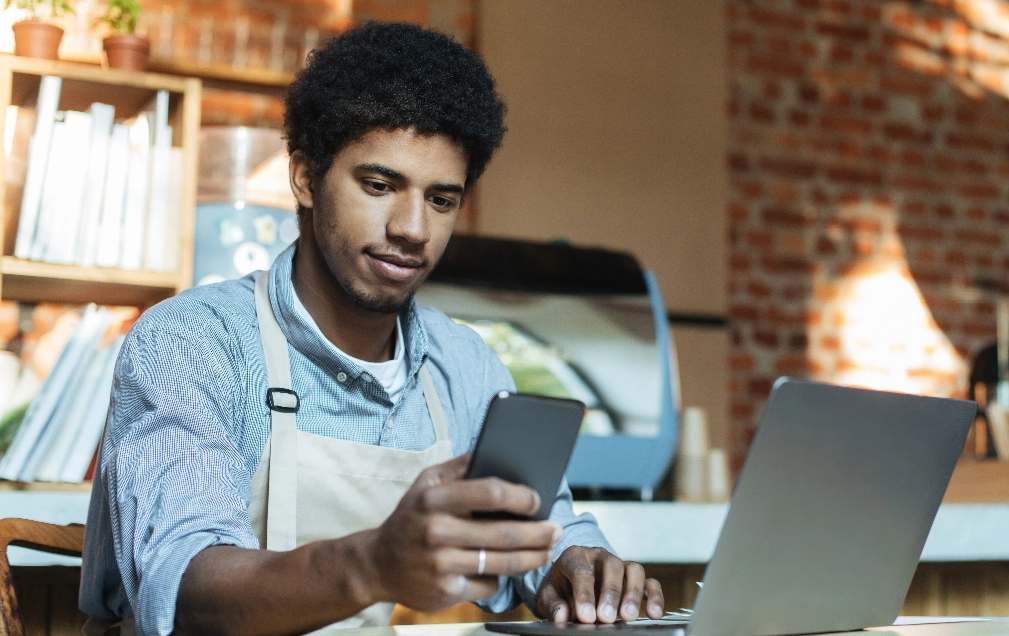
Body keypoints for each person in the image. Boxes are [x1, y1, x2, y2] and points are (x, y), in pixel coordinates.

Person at [80, 21, 664, 636]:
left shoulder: (466, 366)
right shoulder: (194, 343)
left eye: (442, 200)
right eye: (380, 185)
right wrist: (372, 563)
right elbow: (185, 589)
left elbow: (540, 534)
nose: (413, 228)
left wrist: (573, 566)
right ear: (305, 177)